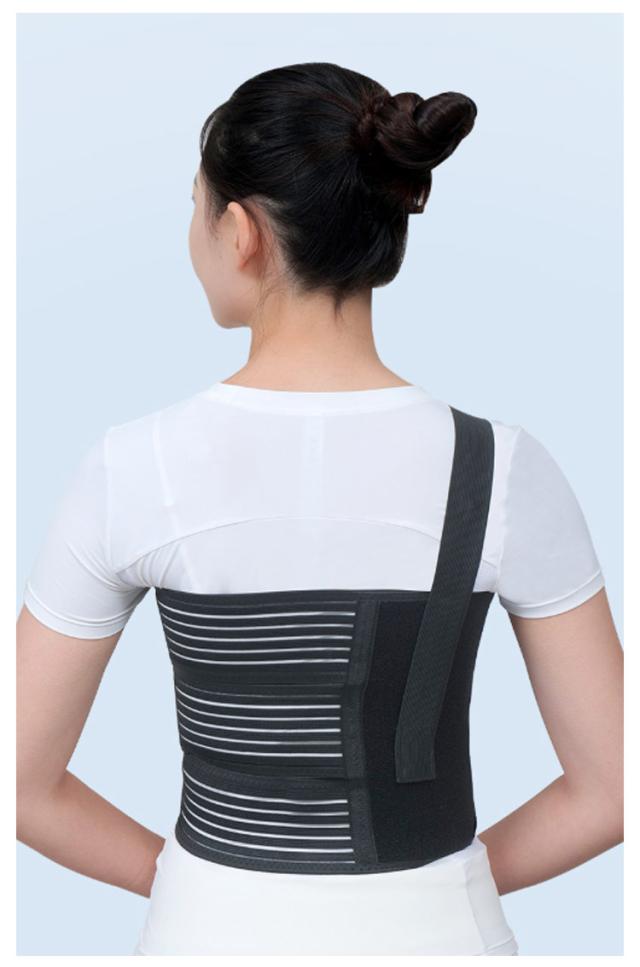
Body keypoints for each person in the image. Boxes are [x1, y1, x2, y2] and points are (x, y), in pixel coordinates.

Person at [16, 62, 623, 956]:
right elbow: (614, 788)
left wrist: (188, 879)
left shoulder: (131, 467)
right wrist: (443, 883)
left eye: (195, 209)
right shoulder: (502, 468)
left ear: (239, 232)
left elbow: (19, 780)